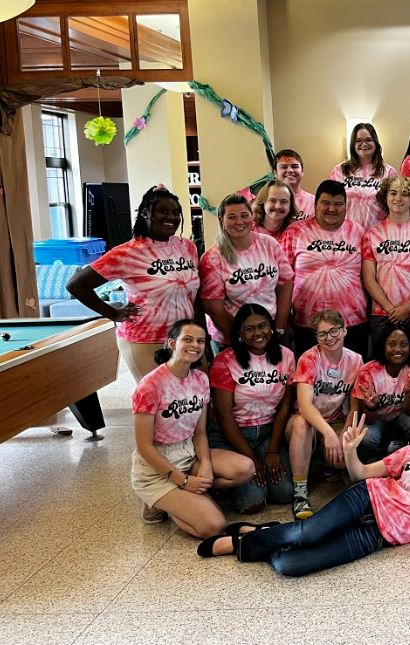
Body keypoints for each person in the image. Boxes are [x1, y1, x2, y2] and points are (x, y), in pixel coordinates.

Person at [199, 400, 410, 578]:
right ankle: (239, 544)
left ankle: (264, 532)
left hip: (379, 535)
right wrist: (350, 450)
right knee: (308, 532)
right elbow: (360, 473)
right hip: (368, 498)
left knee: (288, 565)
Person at [131, 319, 254, 533]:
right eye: (187, 339)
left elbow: (200, 433)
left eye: (200, 341)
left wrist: (205, 463)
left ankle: (186, 497)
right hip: (156, 466)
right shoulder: (150, 386)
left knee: (245, 469)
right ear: (171, 343)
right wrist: (183, 481)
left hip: (189, 453)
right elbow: (144, 447)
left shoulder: (200, 379)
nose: (195, 345)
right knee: (213, 526)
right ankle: (162, 500)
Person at [67, 185, 199, 383]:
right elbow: (77, 285)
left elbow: (193, 295)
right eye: (163, 211)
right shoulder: (127, 253)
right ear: (146, 213)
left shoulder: (187, 247)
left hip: (184, 335)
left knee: (189, 399)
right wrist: (114, 313)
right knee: (158, 402)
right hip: (146, 339)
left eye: (175, 212)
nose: (171, 217)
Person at [208, 304, 297, 514]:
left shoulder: (287, 356)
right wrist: (252, 459)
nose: (258, 333)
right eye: (249, 329)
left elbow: (285, 404)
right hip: (232, 436)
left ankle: (257, 473)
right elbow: (224, 415)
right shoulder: (225, 361)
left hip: (267, 433)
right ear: (239, 334)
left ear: (272, 327)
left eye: (263, 326)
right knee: (253, 504)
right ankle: (220, 486)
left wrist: (273, 450)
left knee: (284, 493)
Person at [287, 310, 362, 520]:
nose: (329, 338)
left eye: (334, 331)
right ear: (316, 338)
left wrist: (344, 434)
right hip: (306, 422)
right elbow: (304, 405)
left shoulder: (356, 360)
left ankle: (332, 467)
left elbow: (355, 405)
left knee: (346, 446)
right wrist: (328, 434)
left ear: (344, 330)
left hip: (336, 419)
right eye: (322, 334)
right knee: (302, 424)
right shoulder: (309, 358)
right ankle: (300, 493)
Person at [281, 180, 367, 357]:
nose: (332, 209)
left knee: (351, 380)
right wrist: (283, 319)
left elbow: (369, 275)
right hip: (307, 324)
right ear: (315, 204)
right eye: (326, 203)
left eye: (338, 204)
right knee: (309, 379)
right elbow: (282, 280)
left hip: (352, 323)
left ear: (346, 206)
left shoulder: (358, 232)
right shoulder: (295, 232)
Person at [199, 194, 294, 351]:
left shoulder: (269, 244)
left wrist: (279, 328)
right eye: (232, 217)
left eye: (244, 215)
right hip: (231, 338)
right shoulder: (212, 258)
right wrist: (242, 338)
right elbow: (213, 308)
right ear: (222, 220)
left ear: (252, 217)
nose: (240, 222)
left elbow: (286, 284)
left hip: (270, 334)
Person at [362, 175, 410, 358]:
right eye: (393, 193)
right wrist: (390, 309)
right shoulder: (371, 235)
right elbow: (369, 278)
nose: (398, 198)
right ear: (385, 198)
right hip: (381, 313)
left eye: (404, 194)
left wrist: (407, 307)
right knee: (381, 366)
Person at [352, 324, 410, 459]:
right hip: (376, 418)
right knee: (367, 437)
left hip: (402, 414)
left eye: (403, 345)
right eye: (392, 344)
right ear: (383, 346)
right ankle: (369, 461)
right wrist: (372, 407)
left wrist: (409, 395)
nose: (398, 349)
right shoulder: (367, 371)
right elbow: (368, 420)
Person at [329, 122, 398, 229]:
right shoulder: (339, 170)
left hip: (377, 234)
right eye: (358, 141)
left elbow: (395, 207)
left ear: (375, 142)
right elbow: (330, 204)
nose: (364, 144)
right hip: (345, 235)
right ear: (353, 144)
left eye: (368, 140)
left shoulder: (389, 172)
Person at [274, 149, 316, 219]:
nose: (290, 170)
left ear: (302, 172)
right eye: (284, 167)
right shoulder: (267, 201)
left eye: (294, 166)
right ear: (275, 173)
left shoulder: (314, 202)